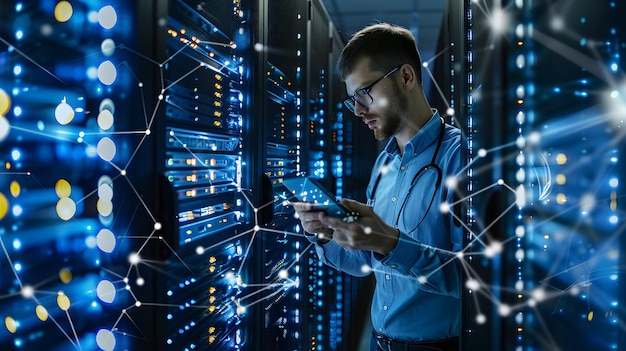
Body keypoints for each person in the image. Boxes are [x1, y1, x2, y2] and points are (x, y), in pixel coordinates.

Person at [292, 23, 463, 351]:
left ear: (406, 77)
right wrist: (327, 233)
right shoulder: (384, 164)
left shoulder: (460, 158)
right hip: (378, 343)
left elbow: (475, 279)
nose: (357, 110)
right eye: (352, 100)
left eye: (364, 93)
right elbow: (365, 264)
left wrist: (389, 243)